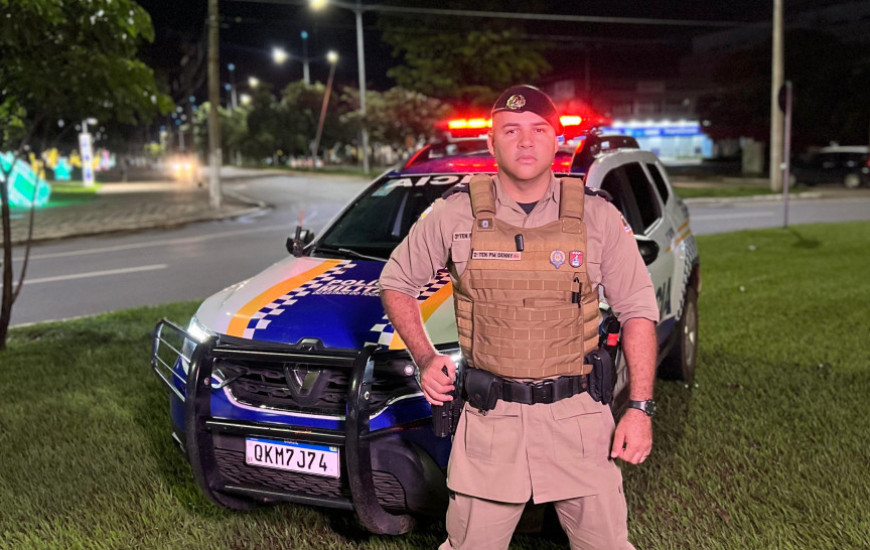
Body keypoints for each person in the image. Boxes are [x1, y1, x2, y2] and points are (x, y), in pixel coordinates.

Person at [379, 84, 659, 550]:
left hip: (579, 421)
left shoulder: (598, 216)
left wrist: (640, 408)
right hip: (492, 422)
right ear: (491, 143)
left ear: (557, 140)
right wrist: (425, 357)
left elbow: (638, 312)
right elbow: (396, 282)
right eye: (510, 130)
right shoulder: (454, 214)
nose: (525, 141)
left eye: (538, 129)